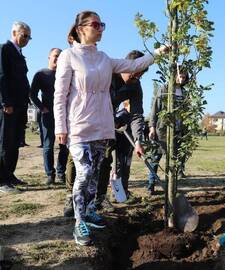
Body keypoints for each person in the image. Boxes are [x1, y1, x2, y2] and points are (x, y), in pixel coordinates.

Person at [54, 10, 168, 246]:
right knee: (84, 172)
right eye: (96, 24)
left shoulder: (105, 58)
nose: (100, 28)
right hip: (78, 126)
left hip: (102, 126)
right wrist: (60, 126)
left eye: (102, 25)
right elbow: (60, 95)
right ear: (81, 28)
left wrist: (159, 52)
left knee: (95, 173)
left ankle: (89, 211)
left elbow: (135, 63)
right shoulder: (69, 56)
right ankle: (79, 222)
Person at [95, 49, 149, 210]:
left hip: (109, 121)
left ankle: (100, 198)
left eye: (141, 75)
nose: (137, 78)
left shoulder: (135, 86)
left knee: (106, 159)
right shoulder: (107, 73)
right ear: (127, 65)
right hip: (92, 118)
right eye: (136, 73)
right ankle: (78, 198)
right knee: (92, 160)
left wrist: (138, 140)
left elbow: (137, 114)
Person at [0, 21, 32, 193]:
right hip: (9, 106)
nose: (26, 39)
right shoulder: (4, 49)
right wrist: (6, 102)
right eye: (24, 35)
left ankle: (10, 175)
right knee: (5, 142)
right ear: (14, 32)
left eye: (29, 37)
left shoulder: (20, 54)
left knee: (15, 142)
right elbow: (2, 77)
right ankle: (2, 181)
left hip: (20, 105)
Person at [30, 48, 69, 185]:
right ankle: (49, 175)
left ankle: (60, 173)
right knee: (48, 145)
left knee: (64, 145)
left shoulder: (65, 75)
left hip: (64, 115)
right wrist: (42, 108)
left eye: (60, 57)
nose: (57, 59)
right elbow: (32, 94)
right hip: (47, 115)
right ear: (49, 57)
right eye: (55, 56)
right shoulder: (41, 74)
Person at [147, 69, 189, 195]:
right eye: (179, 76)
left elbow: (186, 113)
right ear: (174, 76)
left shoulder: (184, 93)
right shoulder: (164, 89)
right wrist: (152, 127)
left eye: (184, 77)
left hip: (178, 131)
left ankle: (171, 186)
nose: (181, 79)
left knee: (174, 160)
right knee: (155, 157)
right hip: (163, 130)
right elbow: (155, 108)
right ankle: (151, 185)